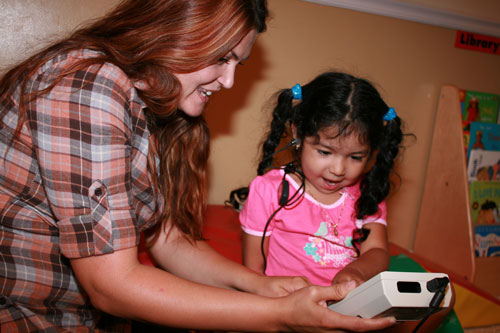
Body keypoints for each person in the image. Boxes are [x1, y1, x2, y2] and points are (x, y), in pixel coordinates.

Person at [0, 0, 396, 332]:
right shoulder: (90, 86)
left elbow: (167, 239)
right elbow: (111, 284)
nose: (228, 81)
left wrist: (259, 286)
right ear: (173, 31)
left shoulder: (157, 107)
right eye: (222, 58)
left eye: (237, 64)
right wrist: (280, 316)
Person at [240, 72, 405, 288]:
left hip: (345, 308)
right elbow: (253, 274)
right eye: (325, 152)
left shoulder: (367, 192)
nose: (338, 170)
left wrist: (355, 272)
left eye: (356, 157)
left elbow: (377, 251)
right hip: (286, 308)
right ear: (298, 132)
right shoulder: (269, 190)